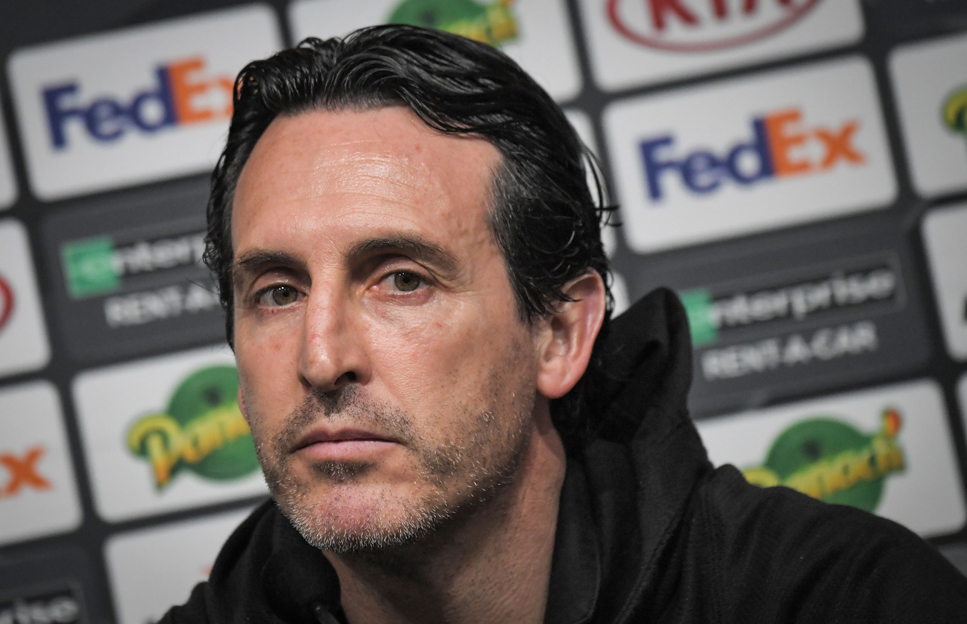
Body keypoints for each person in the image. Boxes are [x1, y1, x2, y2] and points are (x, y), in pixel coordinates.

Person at [161, 25, 967, 624]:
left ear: (558, 333)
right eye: (277, 292)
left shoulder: (843, 600)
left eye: (402, 281)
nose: (320, 356)